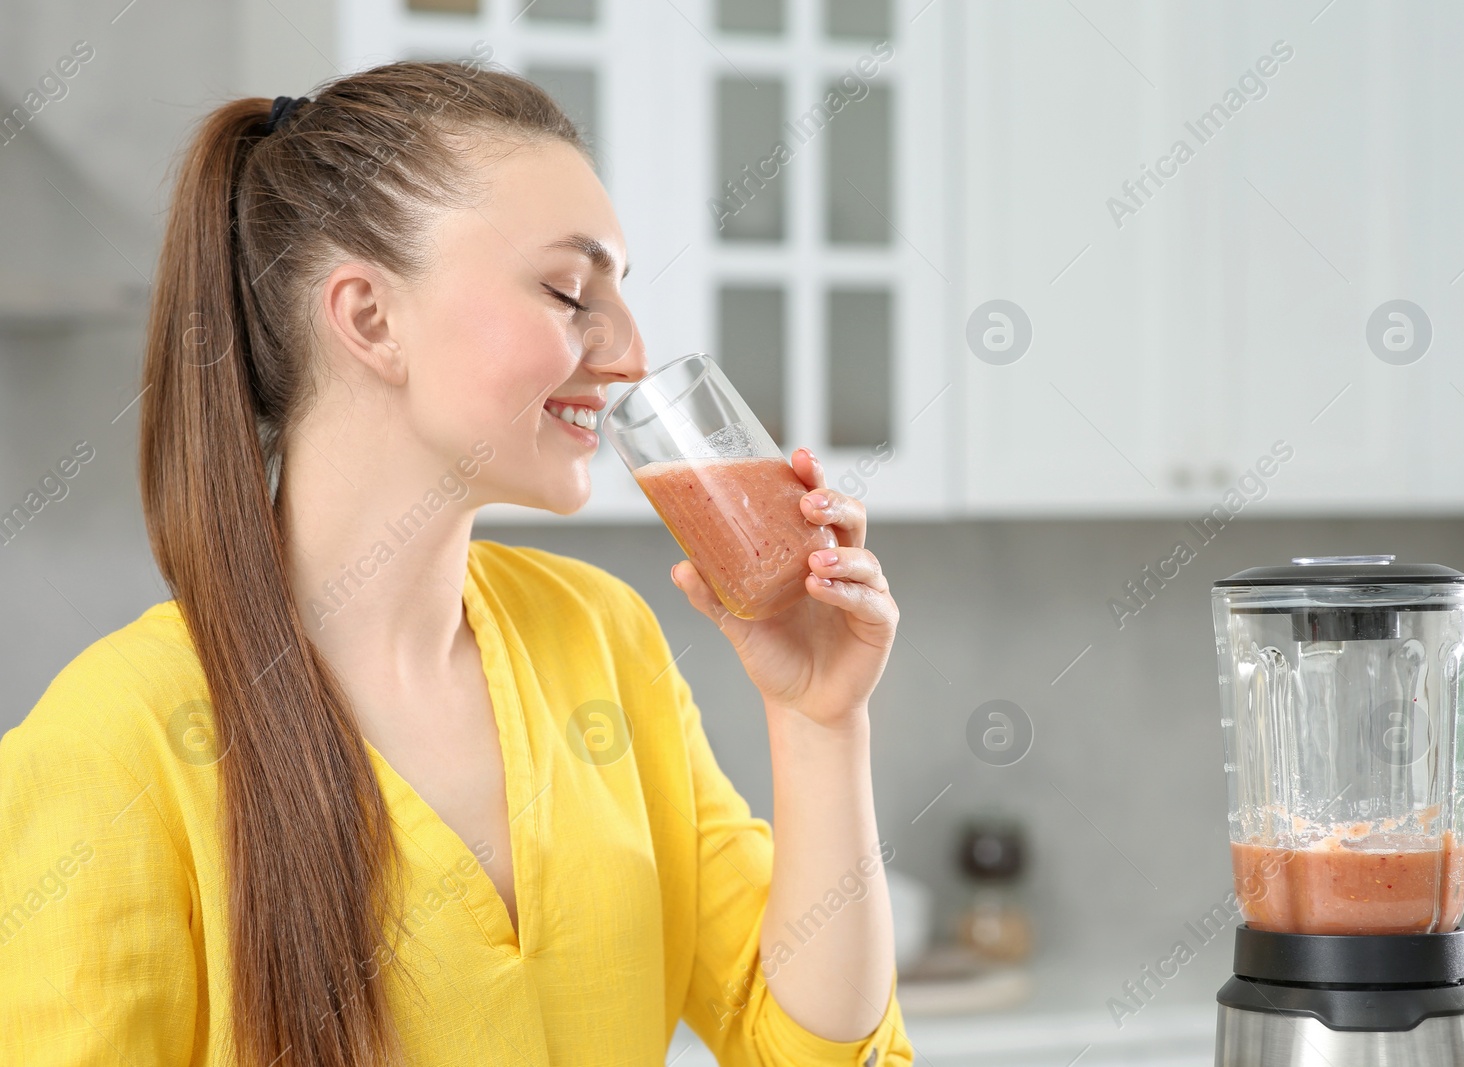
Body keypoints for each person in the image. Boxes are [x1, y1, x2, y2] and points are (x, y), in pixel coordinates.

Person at [0, 61, 910, 1067]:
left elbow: (805, 1047)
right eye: (570, 289)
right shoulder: (111, 745)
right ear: (370, 319)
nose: (628, 352)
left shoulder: (599, 638)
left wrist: (821, 721)